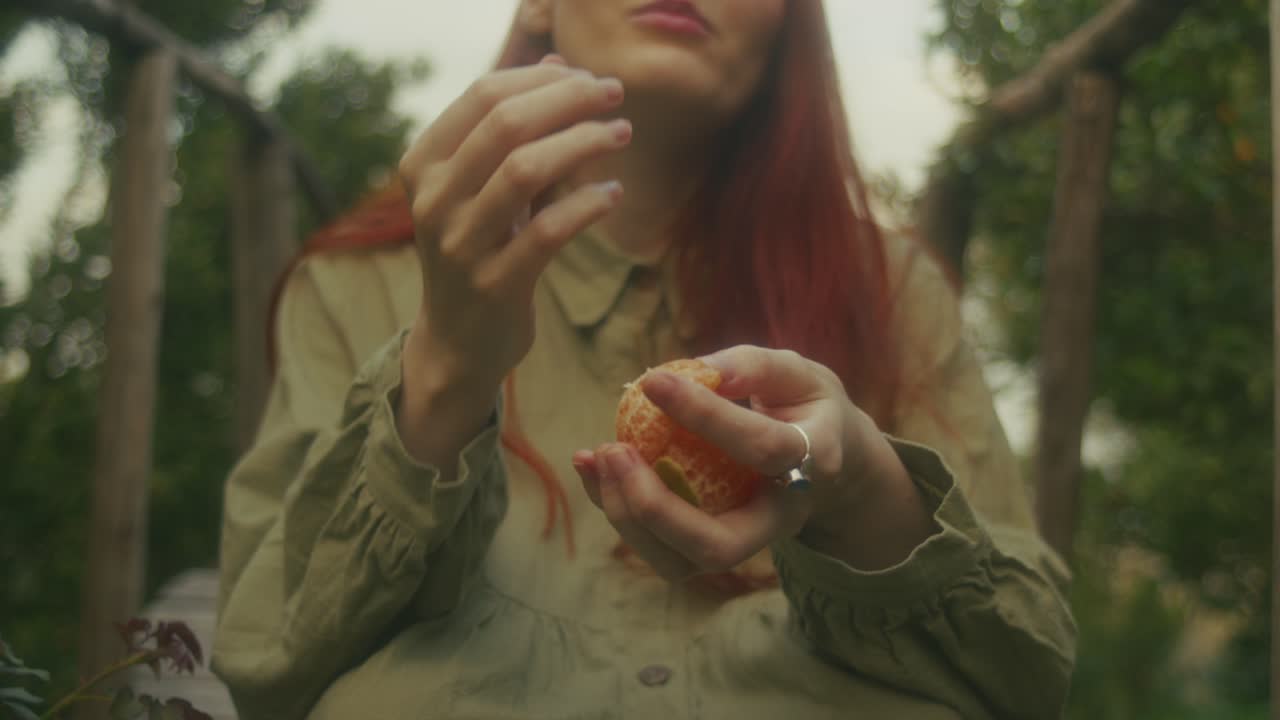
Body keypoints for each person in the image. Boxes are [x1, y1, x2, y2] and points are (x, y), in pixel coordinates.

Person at [211, 1, 1077, 718]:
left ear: (788, 28)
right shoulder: (349, 288)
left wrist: (858, 488)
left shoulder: (896, 294)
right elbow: (264, 659)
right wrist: (441, 375)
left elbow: (1026, 671)